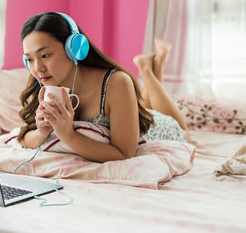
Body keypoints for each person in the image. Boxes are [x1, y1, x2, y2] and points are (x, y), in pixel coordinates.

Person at [18, 12, 191, 163]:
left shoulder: (116, 82)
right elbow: (25, 137)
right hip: (132, 115)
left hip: (154, 127)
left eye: (45, 55)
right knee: (143, 105)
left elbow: (125, 153)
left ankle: (147, 70)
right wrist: (41, 132)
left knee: (184, 131)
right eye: (30, 59)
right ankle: (157, 64)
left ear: (74, 48)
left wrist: (68, 136)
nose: (37, 68)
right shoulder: (44, 82)